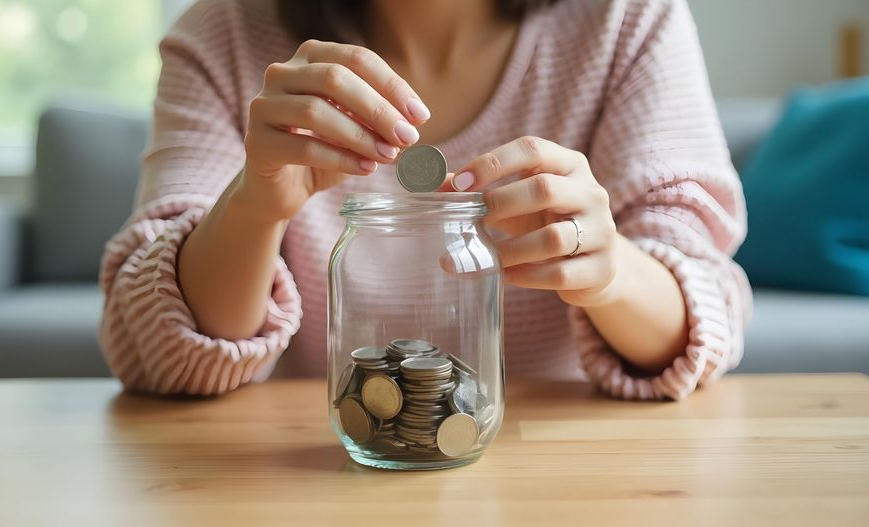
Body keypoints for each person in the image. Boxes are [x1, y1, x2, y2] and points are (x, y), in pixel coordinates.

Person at [100, 0, 752, 400]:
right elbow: (152, 344)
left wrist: (610, 269)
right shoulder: (223, 35)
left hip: (572, 479)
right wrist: (254, 203)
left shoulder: (629, 18)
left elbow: (704, 304)